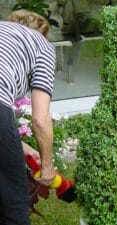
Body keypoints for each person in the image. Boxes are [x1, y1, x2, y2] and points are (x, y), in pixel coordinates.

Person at [0, 9, 56, 225]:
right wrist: (48, 166)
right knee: (13, 205)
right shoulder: (42, 45)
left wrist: (23, 148)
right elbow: (41, 119)